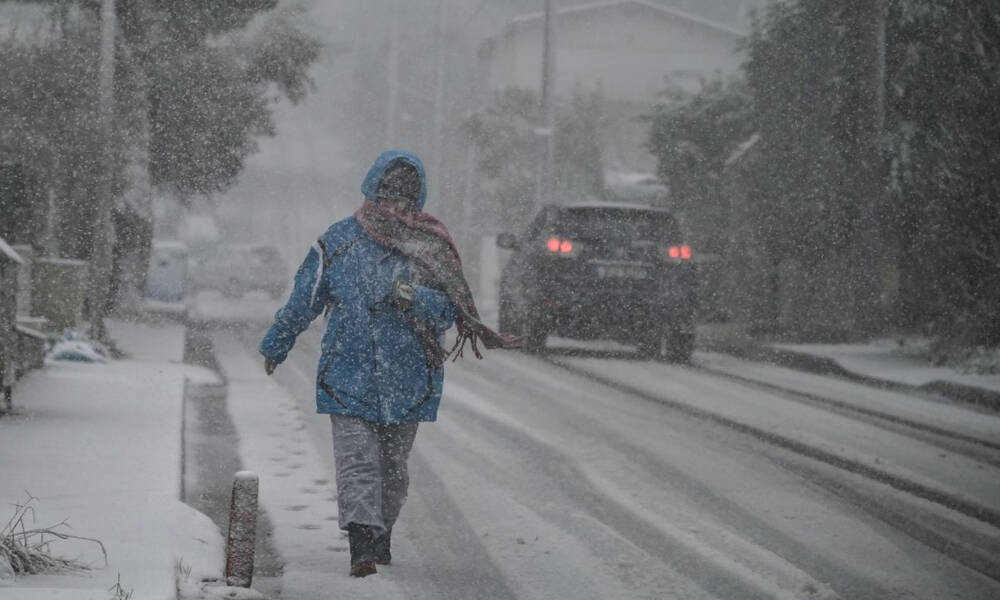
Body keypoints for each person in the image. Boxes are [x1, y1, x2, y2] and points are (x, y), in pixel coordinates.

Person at [259, 150, 520, 577]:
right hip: (347, 374)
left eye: (405, 198)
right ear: (372, 191)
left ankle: (381, 534)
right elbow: (305, 298)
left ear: (417, 201)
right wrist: (278, 342)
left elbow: (449, 312)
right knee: (357, 462)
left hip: (408, 378)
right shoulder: (338, 242)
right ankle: (362, 543)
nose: (396, 206)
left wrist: (417, 298)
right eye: (388, 195)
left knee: (393, 471)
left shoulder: (431, 249)